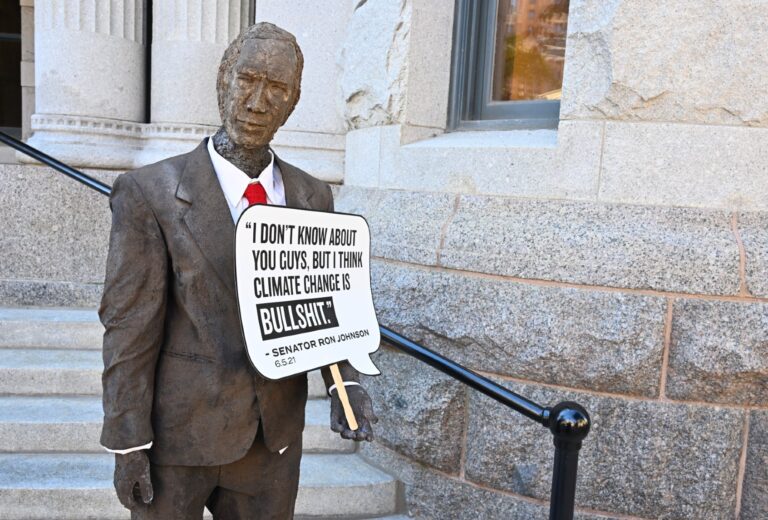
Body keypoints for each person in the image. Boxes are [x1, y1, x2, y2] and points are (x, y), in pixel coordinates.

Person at [99, 22, 378, 519]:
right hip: (176, 441)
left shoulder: (313, 197)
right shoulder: (150, 193)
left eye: (277, 89)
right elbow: (129, 327)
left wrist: (345, 383)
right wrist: (128, 442)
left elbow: (330, 304)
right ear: (223, 79)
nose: (257, 102)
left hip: (272, 442)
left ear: (293, 102)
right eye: (247, 79)